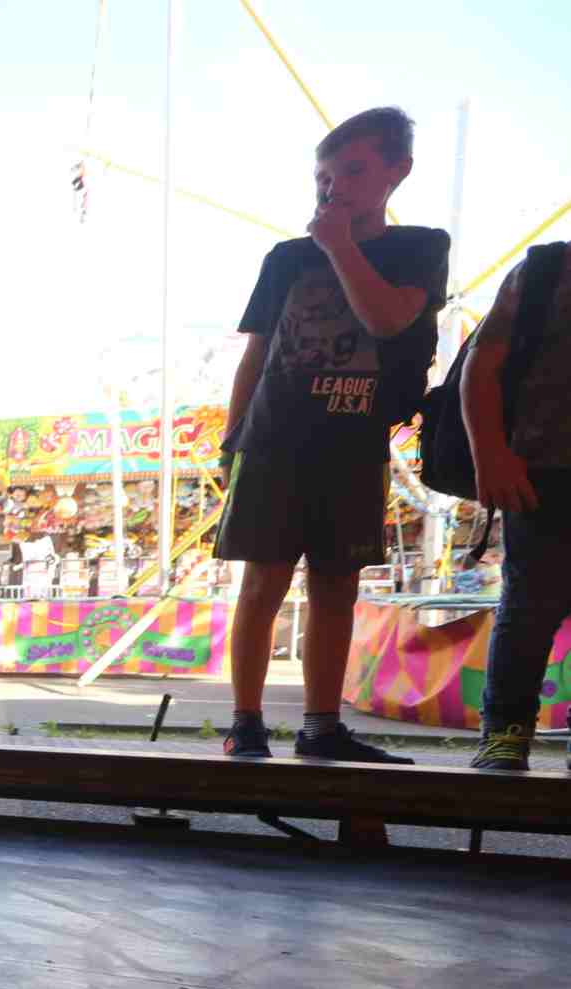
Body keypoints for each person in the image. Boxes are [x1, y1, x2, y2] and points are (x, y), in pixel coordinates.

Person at [215, 107, 450, 763]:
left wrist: (341, 246)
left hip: (352, 444)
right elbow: (256, 355)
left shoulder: (419, 249)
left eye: (353, 171)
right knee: (262, 582)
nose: (333, 187)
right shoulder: (286, 259)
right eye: (324, 175)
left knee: (336, 587)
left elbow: (387, 320)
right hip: (273, 440)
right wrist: (231, 439)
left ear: (397, 172)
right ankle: (246, 723)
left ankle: (320, 727)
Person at [465, 240, 571, 770]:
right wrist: (489, 454)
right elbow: (482, 363)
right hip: (542, 471)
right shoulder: (546, 270)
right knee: (529, 608)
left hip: (538, 468)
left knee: (526, 607)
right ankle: (505, 734)